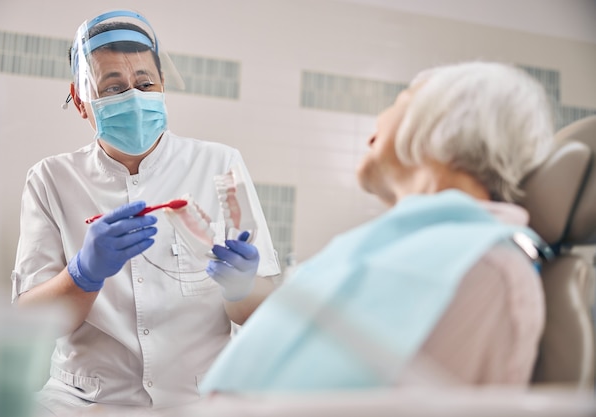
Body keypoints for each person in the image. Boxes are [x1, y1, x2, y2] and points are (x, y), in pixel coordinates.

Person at [198, 61, 555, 394]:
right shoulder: (393, 248)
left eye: (400, 101)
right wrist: (242, 289)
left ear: (441, 121)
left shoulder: (487, 268)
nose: (379, 118)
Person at [10, 9, 280, 414]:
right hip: (83, 402)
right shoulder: (50, 179)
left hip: (199, 400)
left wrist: (242, 288)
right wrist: (82, 275)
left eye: (144, 83)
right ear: (82, 101)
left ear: (162, 87)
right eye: (113, 87)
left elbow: (266, 313)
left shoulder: (220, 164)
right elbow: (27, 327)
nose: (133, 98)